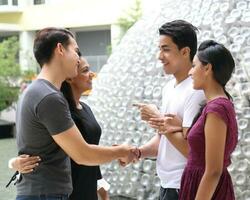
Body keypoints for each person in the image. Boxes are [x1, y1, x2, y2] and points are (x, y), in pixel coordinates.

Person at [15, 27, 135, 200]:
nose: (78, 58)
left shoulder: (35, 91)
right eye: (76, 51)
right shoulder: (49, 97)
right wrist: (122, 151)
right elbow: (82, 154)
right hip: (45, 194)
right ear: (60, 49)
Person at [10, 56, 110, 200]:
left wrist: (102, 189)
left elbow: (91, 151)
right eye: (85, 70)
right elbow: (37, 148)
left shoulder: (86, 109)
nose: (92, 74)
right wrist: (13, 162)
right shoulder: (58, 111)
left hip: (87, 189)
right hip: (65, 191)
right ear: (70, 77)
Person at [151, 40, 238, 199]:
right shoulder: (213, 106)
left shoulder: (216, 109)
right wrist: (178, 127)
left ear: (207, 68)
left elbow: (213, 171)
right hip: (198, 184)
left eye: (194, 66)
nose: (190, 73)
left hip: (204, 189)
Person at [132, 20, 205, 200]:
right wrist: (138, 152)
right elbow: (163, 139)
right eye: (159, 49)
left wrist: (157, 117)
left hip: (184, 185)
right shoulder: (169, 87)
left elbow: (192, 151)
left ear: (185, 51)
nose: (159, 56)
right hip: (167, 184)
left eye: (166, 49)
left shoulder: (196, 91)